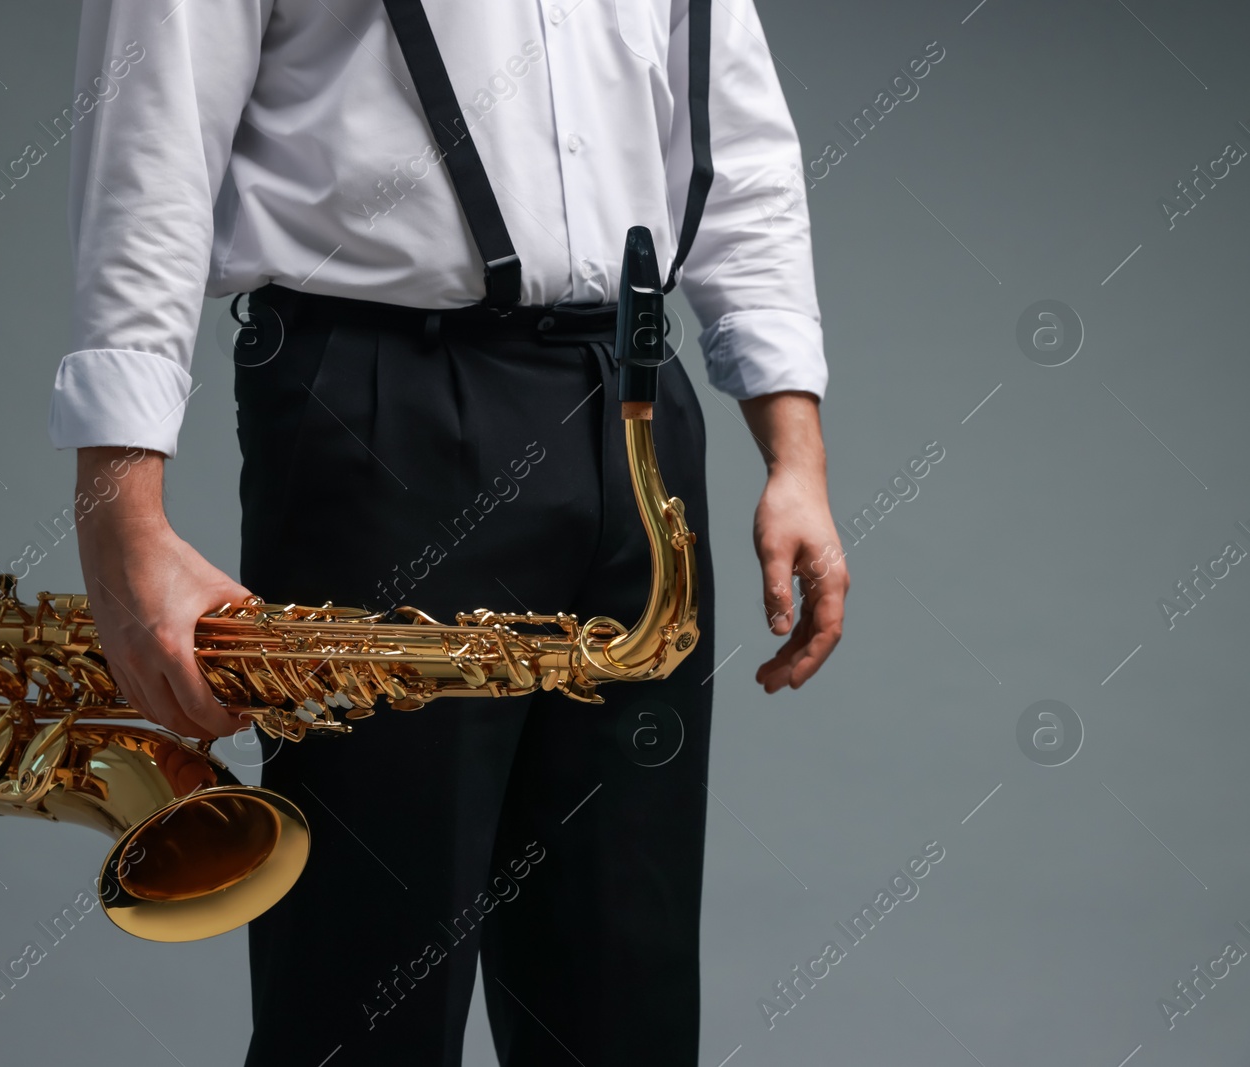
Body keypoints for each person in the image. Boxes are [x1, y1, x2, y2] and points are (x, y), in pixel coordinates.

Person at [52, 1, 848, 1063]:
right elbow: (149, 142)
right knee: (367, 975)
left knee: (626, 976)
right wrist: (120, 515)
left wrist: (793, 454)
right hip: (381, 403)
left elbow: (737, 146)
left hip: (636, 410)